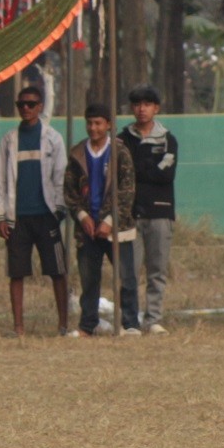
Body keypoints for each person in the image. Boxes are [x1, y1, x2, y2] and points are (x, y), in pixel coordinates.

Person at [0, 88, 71, 336]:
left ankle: (63, 325)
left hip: (46, 216)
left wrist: (59, 211)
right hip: (17, 219)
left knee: (57, 270)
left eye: (30, 104)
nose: (25, 108)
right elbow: (1, 180)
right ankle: (19, 328)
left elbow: (61, 176)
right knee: (17, 273)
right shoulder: (9, 140)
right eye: (21, 104)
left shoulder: (53, 138)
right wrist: (1, 215)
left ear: (40, 106)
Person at [66, 103, 141, 337]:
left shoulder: (121, 152)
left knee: (126, 277)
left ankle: (130, 323)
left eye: (98, 123)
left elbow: (127, 191)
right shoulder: (77, 154)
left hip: (117, 229)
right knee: (89, 279)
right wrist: (82, 216)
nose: (93, 128)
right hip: (87, 229)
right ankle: (88, 325)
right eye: (89, 123)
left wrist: (110, 220)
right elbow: (69, 192)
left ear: (108, 124)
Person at [120, 84, 177, 335]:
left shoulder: (168, 140)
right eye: (137, 104)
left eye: (147, 104)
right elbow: (122, 175)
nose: (141, 109)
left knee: (157, 270)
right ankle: (130, 321)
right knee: (129, 272)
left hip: (161, 213)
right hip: (130, 215)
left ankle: (153, 319)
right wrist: (149, 167)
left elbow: (166, 175)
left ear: (156, 108)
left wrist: (139, 168)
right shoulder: (122, 139)